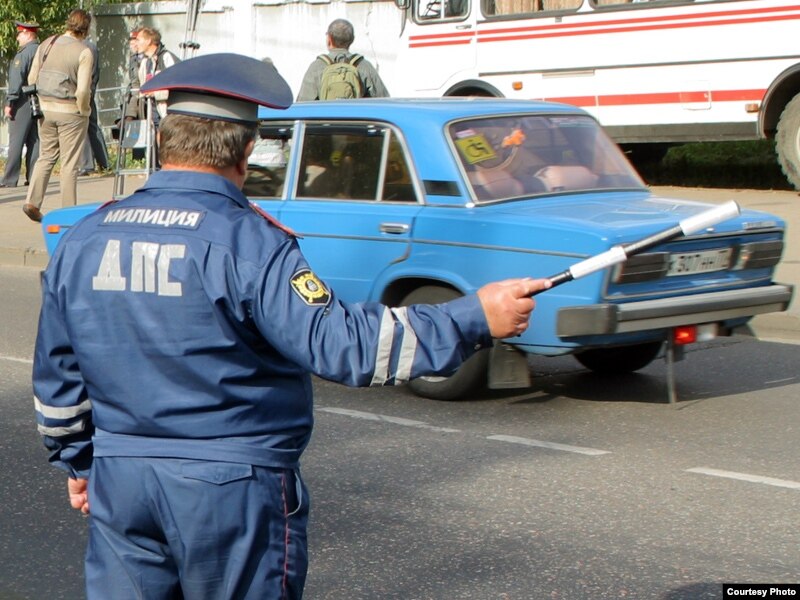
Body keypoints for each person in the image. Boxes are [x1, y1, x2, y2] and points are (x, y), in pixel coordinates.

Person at [32, 53, 549, 599]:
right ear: (249, 149)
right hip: (231, 490)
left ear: (164, 138)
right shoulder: (251, 243)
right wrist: (473, 316)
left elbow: (57, 381)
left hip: (123, 480)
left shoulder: (85, 239)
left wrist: (82, 462)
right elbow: (343, 346)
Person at [22, 9, 94, 223]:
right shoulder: (84, 51)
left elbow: (32, 77)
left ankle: (32, 201)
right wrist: (84, 110)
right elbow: (82, 90)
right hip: (71, 110)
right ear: (86, 28)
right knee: (69, 163)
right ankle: (68, 212)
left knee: (46, 156)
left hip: (45, 109)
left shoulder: (47, 43)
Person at [296, 18, 390, 101]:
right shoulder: (364, 66)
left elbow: (302, 105)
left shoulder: (316, 67)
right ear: (352, 39)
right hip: (356, 120)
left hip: (326, 120)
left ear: (329, 39)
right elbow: (383, 102)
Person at [1, 21, 40, 188]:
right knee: (35, 140)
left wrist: (10, 101)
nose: (17, 38)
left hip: (23, 99)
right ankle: (33, 177)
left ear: (28, 34)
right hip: (38, 99)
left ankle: (10, 178)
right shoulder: (41, 50)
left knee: (17, 140)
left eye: (19, 34)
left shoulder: (23, 54)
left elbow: (17, 79)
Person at [126, 26, 179, 126]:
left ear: (148, 41)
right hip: (149, 114)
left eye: (138, 39)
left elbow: (177, 86)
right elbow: (139, 88)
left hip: (167, 115)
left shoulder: (166, 58)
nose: (135, 43)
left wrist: (155, 93)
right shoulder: (145, 62)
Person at [78, 36, 109, 174]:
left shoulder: (84, 47)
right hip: (87, 91)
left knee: (85, 126)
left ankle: (87, 164)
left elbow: (90, 73)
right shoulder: (88, 46)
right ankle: (102, 162)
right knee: (91, 127)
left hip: (84, 92)